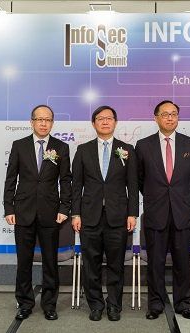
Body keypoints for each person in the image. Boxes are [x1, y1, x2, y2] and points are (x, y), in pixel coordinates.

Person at [3, 105, 72, 321]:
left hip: (50, 213)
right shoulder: (19, 145)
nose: (43, 123)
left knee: (50, 261)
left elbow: (66, 180)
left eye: (48, 120)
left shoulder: (61, 147)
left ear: (52, 123)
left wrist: (64, 208)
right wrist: (9, 208)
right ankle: (24, 303)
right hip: (23, 212)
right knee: (24, 261)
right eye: (39, 119)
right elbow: (11, 178)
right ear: (31, 121)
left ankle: (49, 305)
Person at [71, 105, 138, 321]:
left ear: (115, 123)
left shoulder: (127, 149)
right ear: (94, 123)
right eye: (101, 118)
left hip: (118, 216)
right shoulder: (83, 150)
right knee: (91, 264)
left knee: (116, 264)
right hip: (89, 216)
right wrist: (76, 214)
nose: (105, 122)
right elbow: (76, 186)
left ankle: (114, 306)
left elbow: (133, 185)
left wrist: (132, 213)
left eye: (109, 118)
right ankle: (96, 305)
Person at [135, 100, 190, 320]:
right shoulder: (143, 145)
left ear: (178, 118)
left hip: (182, 212)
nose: (170, 118)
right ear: (156, 118)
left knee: (183, 260)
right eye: (165, 114)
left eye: (174, 114)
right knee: (156, 261)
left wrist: (176, 197)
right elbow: (140, 180)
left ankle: (183, 303)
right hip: (155, 212)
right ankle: (155, 303)